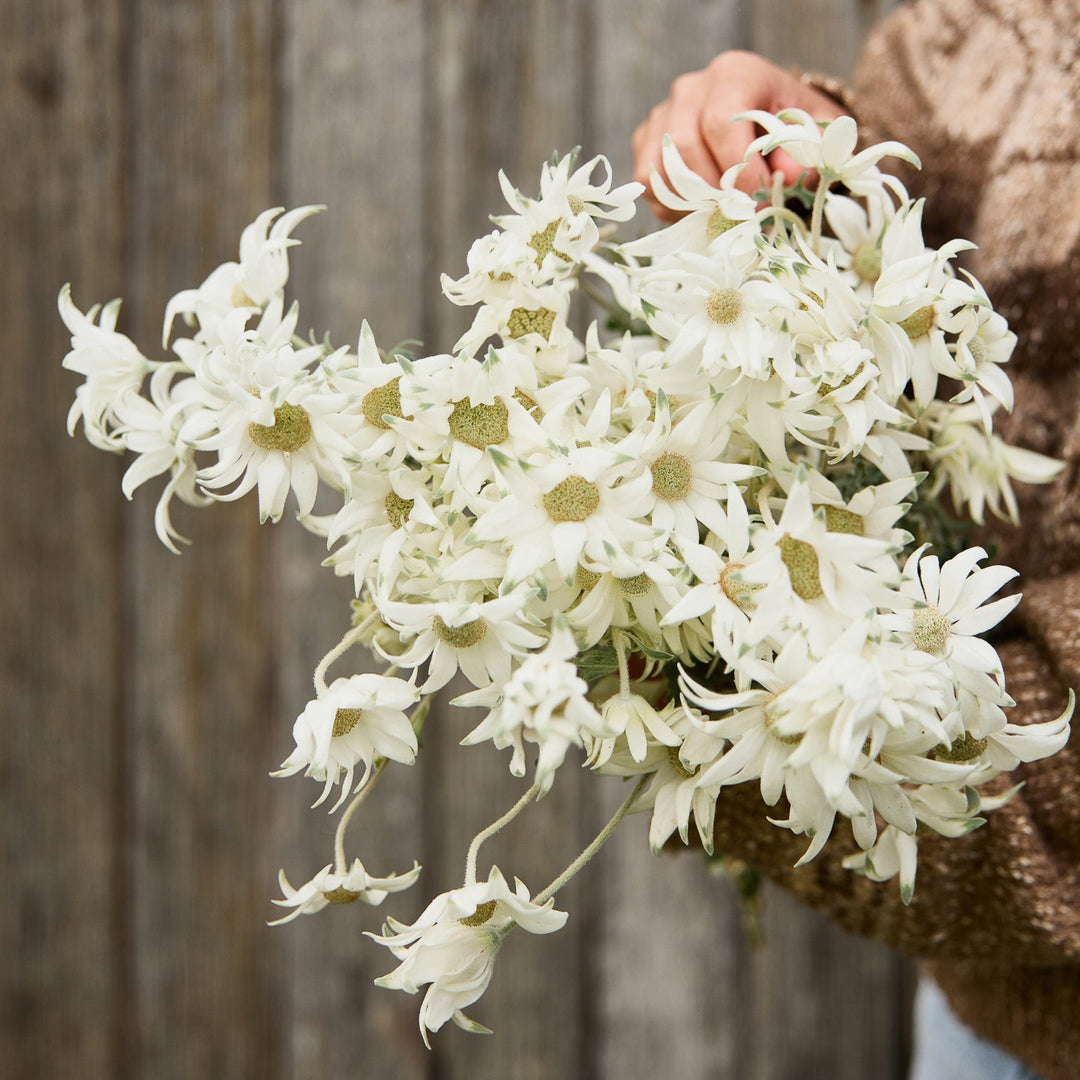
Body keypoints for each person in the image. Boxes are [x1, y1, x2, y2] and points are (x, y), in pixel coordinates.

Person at [631, 5, 1080, 1080]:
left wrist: (746, 731)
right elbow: (936, 215)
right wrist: (812, 164)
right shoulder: (980, 19)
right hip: (982, 1022)